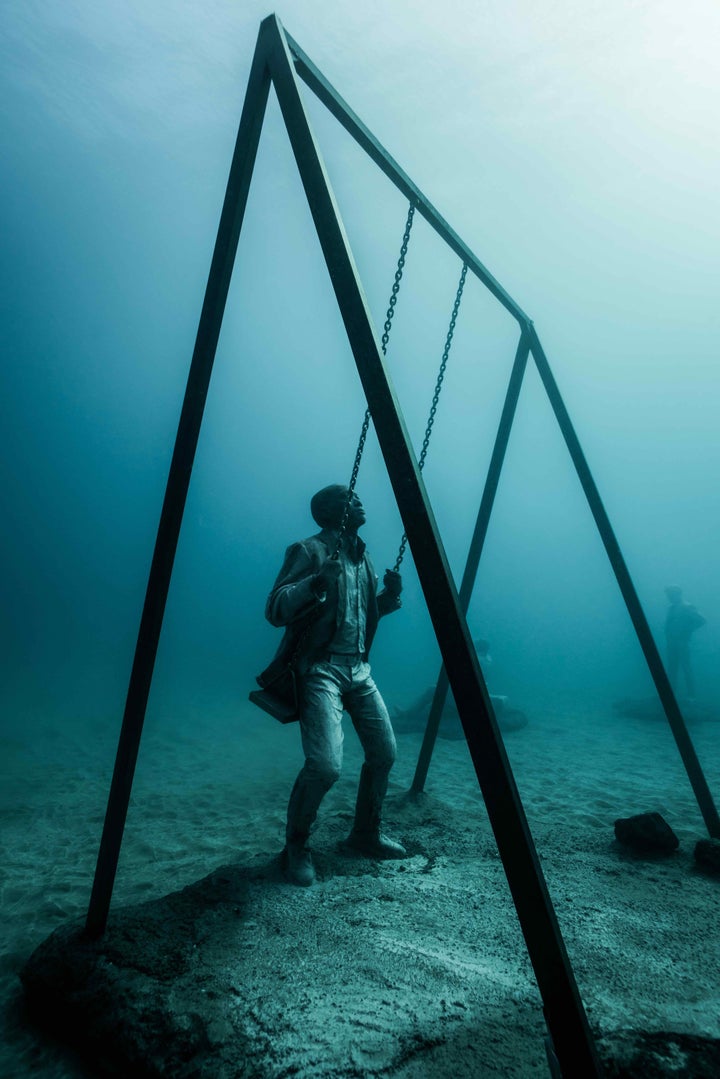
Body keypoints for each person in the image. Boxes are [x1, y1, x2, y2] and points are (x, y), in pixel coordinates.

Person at [264, 484, 406, 886]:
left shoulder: (364, 558)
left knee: (384, 754)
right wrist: (314, 583)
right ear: (328, 512)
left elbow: (357, 616)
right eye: (348, 499)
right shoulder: (308, 551)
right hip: (321, 671)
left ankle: (366, 833)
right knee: (325, 766)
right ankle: (296, 845)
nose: (359, 501)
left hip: (359, 669)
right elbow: (274, 608)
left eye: (358, 497)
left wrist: (387, 600)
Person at [664, 585, 706, 700]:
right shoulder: (671, 607)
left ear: (677, 595)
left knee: (686, 667)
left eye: (671, 595)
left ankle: (691, 696)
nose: (669, 598)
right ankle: (671, 693)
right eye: (668, 596)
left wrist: (687, 631)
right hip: (671, 643)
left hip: (682, 642)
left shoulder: (687, 606)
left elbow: (701, 620)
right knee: (672, 668)